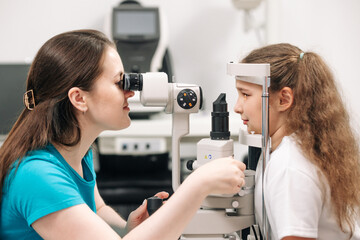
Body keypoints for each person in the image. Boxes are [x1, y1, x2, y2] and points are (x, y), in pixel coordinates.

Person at [0, 29, 246, 240]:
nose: (130, 92)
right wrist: (198, 184)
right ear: (79, 98)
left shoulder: (74, 149)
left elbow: (95, 209)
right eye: (120, 82)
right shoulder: (38, 175)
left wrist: (127, 228)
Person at [233, 43, 360, 240]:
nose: (237, 107)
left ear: (283, 99)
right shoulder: (285, 149)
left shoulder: (289, 166)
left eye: (246, 95)